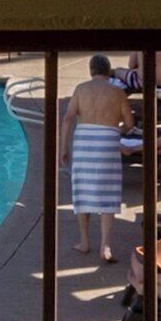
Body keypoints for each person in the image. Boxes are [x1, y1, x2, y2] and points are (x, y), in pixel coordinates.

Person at [58, 53, 137, 269]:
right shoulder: (118, 92)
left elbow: (67, 118)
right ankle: (105, 245)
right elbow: (130, 124)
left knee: (82, 190)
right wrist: (115, 129)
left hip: (84, 141)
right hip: (107, 141)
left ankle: (84, 242)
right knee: (108, 193)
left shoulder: (80, 89)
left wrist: (63, 147)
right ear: (108, 70)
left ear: (91, 70)